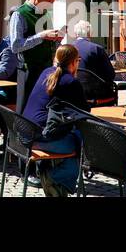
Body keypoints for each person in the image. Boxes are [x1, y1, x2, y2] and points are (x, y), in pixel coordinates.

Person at [20, 45, 89, 196]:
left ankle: (54, 180)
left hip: (23, 134)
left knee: (71, 142)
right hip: (41, 138)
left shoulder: (46, 72)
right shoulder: (71, 81)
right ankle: (52, 176)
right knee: (80, 145)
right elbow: (85, 111)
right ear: (74, 62)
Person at [9, 0, 64, 112]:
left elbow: (46, 41)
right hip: (28, 70)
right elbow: (15, 46)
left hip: (45, 69)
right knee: (25, 108)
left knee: (42, 108)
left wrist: (56, 38)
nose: (50, 6)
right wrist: (41, 36)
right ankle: (21, 133)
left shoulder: (44, 14)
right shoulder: (19, 14)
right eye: (49, 1)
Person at [71, 19, 117, 88]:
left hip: (72, 89)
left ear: (75, 34)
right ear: (90, 34)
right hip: (94, 92)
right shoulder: (97, 49)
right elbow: (111, 75)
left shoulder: (67, 49)